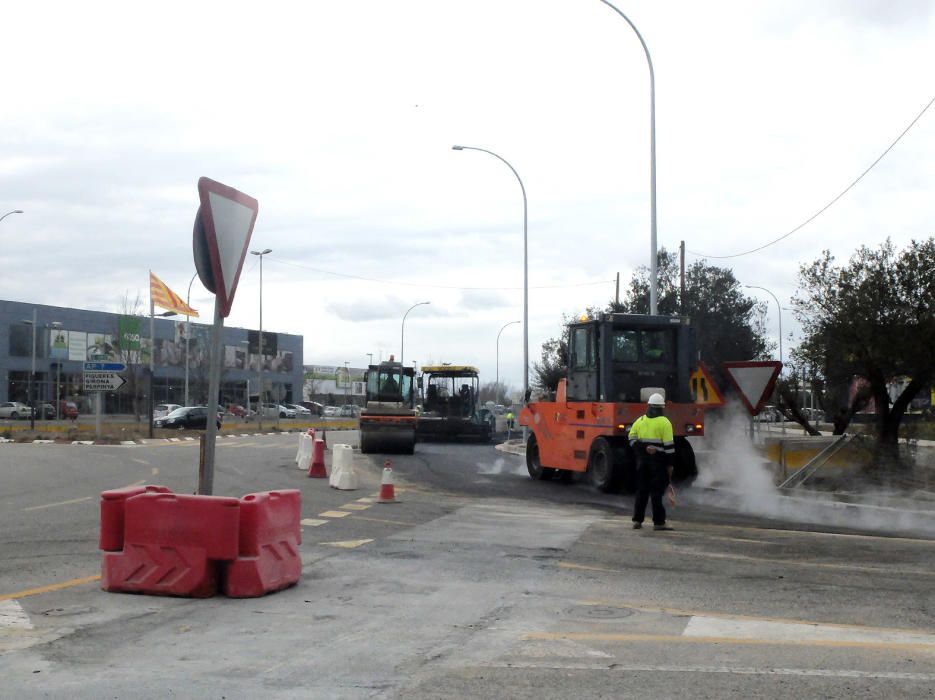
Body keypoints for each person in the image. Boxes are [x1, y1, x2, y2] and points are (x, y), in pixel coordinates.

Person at [628, 393, 675, 531]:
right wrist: (670, 465)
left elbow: (631, 440)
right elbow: (669, 447)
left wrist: (644, 448)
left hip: (642, 462)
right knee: (656, 493)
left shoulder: (640, 421)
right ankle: (659, 523)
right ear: (662, 407)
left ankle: (637, 520)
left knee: (642, 491)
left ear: (648, 406)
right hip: (658, 463)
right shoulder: (665, 422)